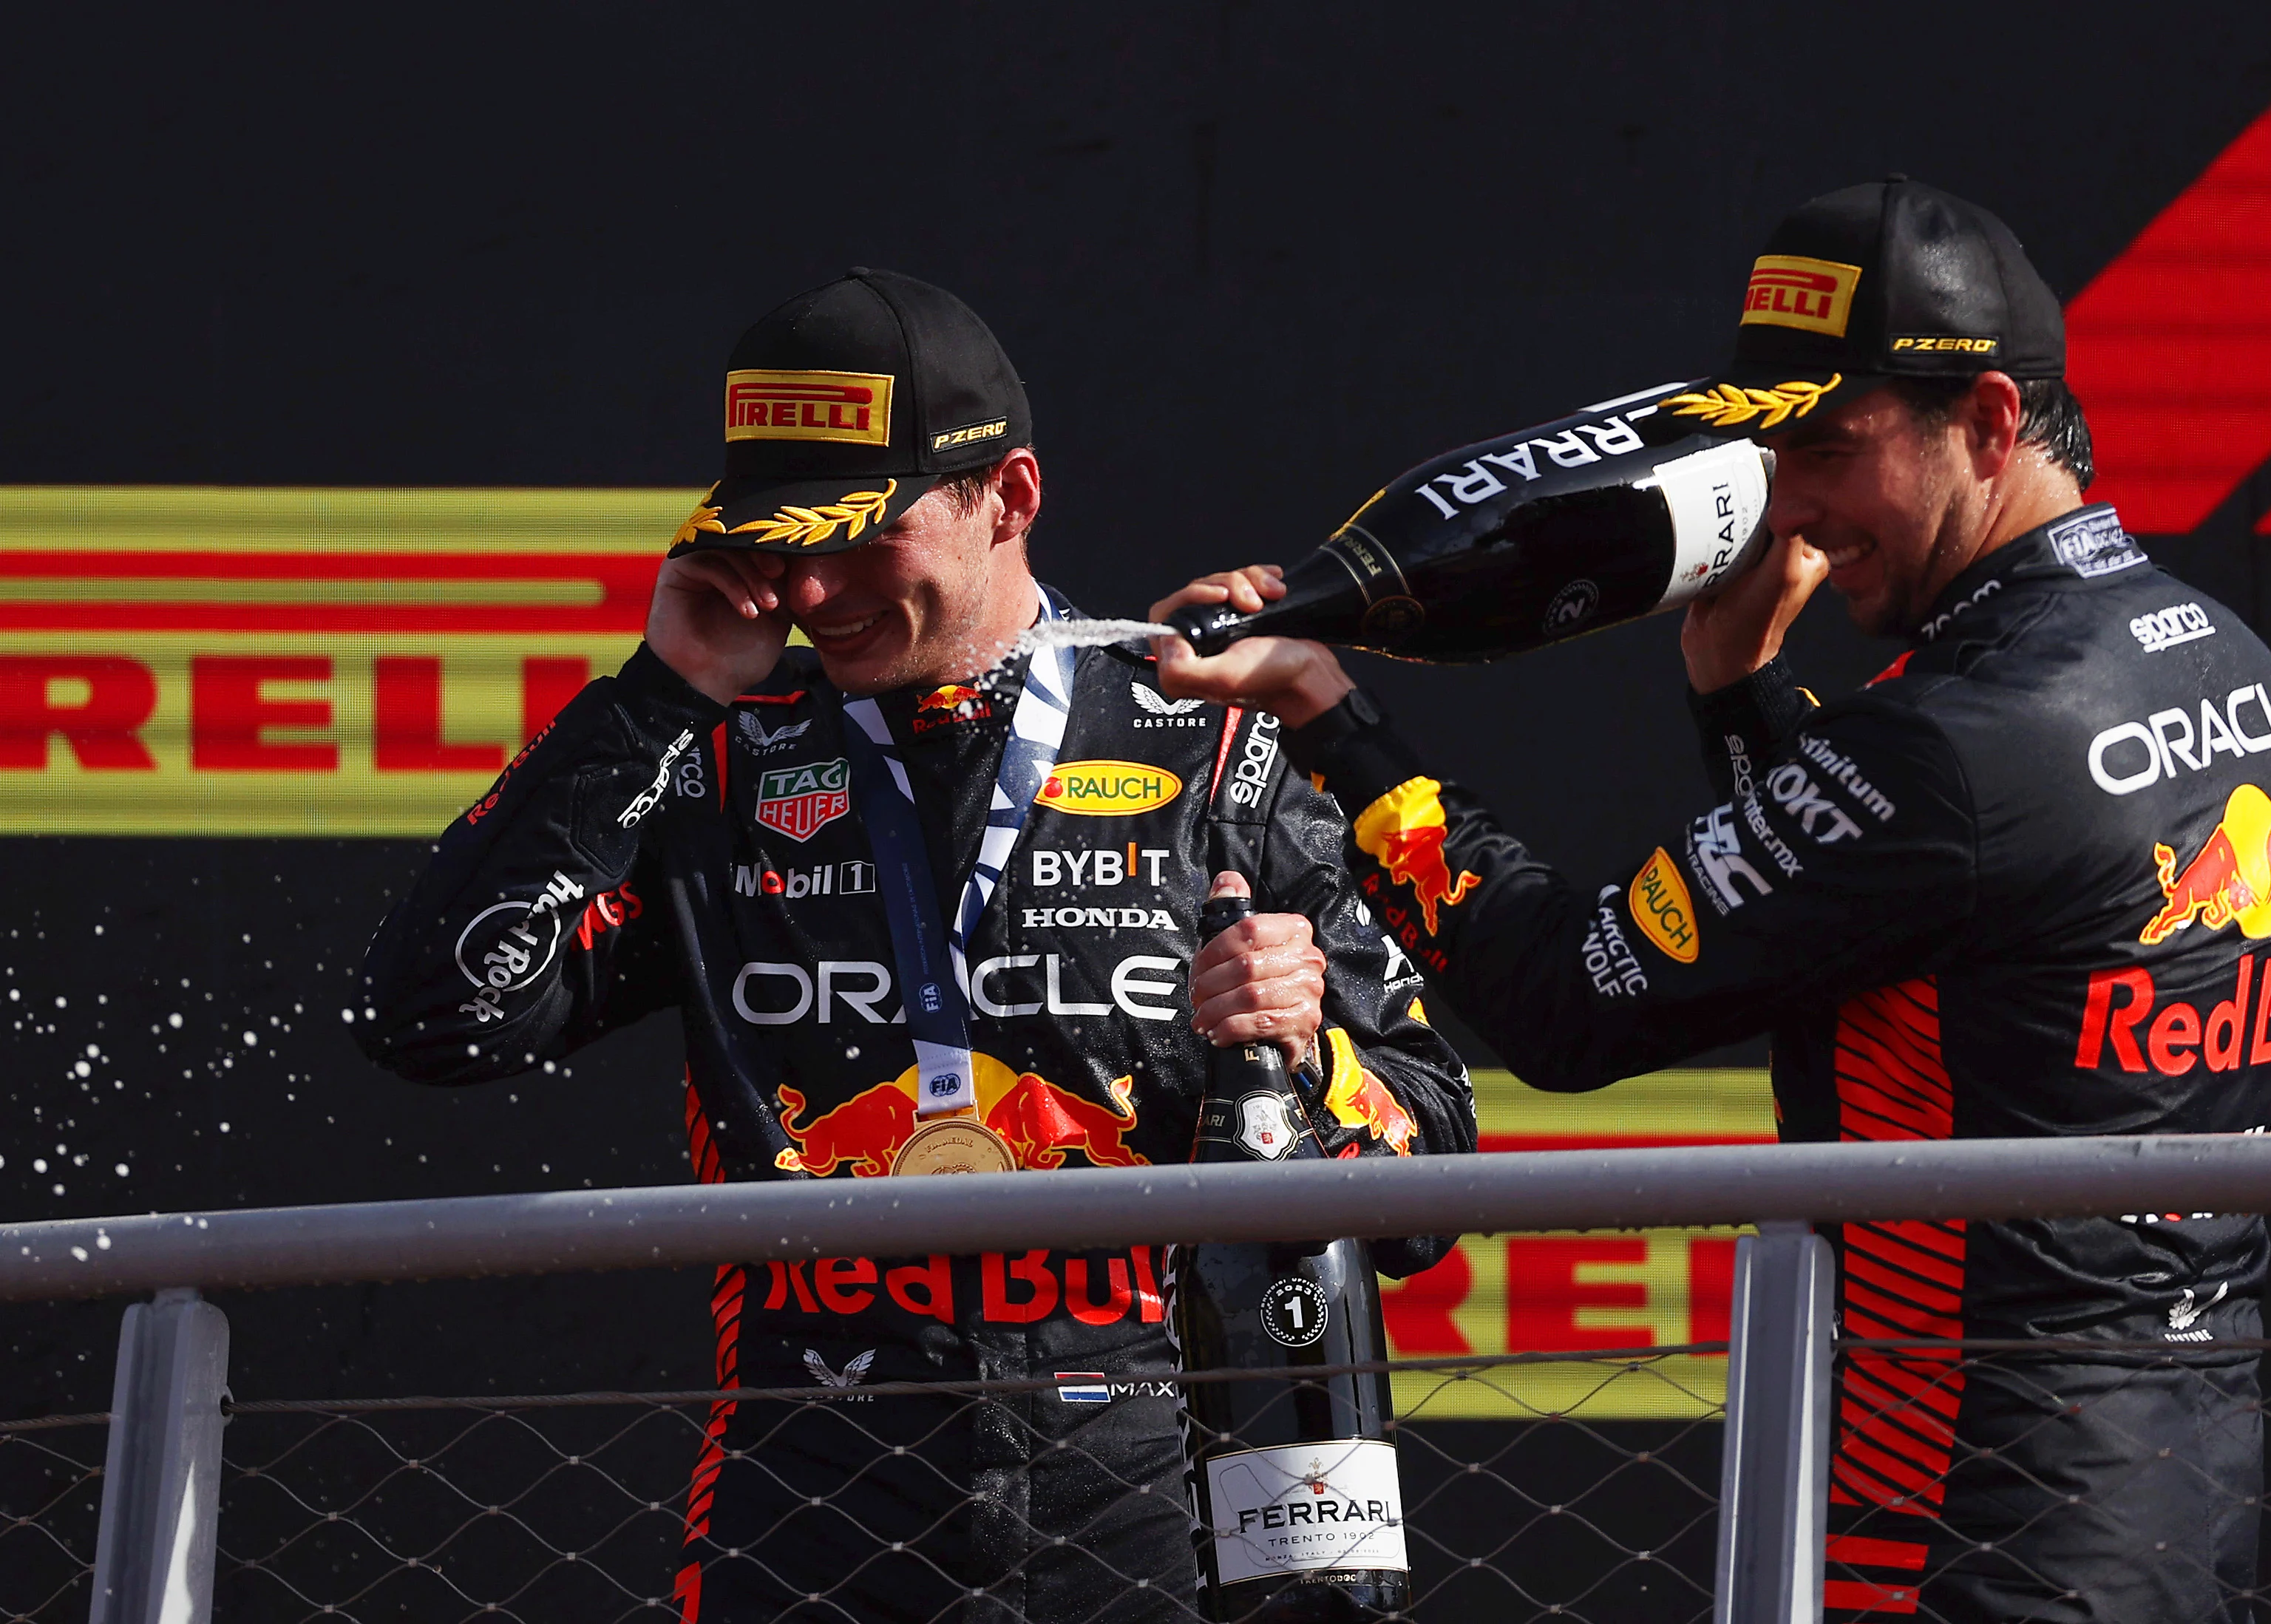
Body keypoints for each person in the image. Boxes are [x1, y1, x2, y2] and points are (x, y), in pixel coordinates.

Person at [1153, 179, 2271, 1623]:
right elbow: (1903, 921)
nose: (1794, 502)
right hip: (2184, 1470)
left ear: (1988, 425)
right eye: (1770, 449)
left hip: (1967, 1506)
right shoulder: (2217, 656)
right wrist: (1742, 695)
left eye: (1828, 449)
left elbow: (1561, 1003)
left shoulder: (1955, 742)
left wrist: (1331, 717)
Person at [352, 268, 1475, 1624]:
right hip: (808, 1500)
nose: (812, 587)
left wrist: (1306, 1057)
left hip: (1157, 1500)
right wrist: (656, 695)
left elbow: (1428, 1186)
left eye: (861, 534)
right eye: (777, 542)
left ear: (1010, 496)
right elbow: (434, 1018)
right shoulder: (715, 761)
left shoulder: (1215, 737)